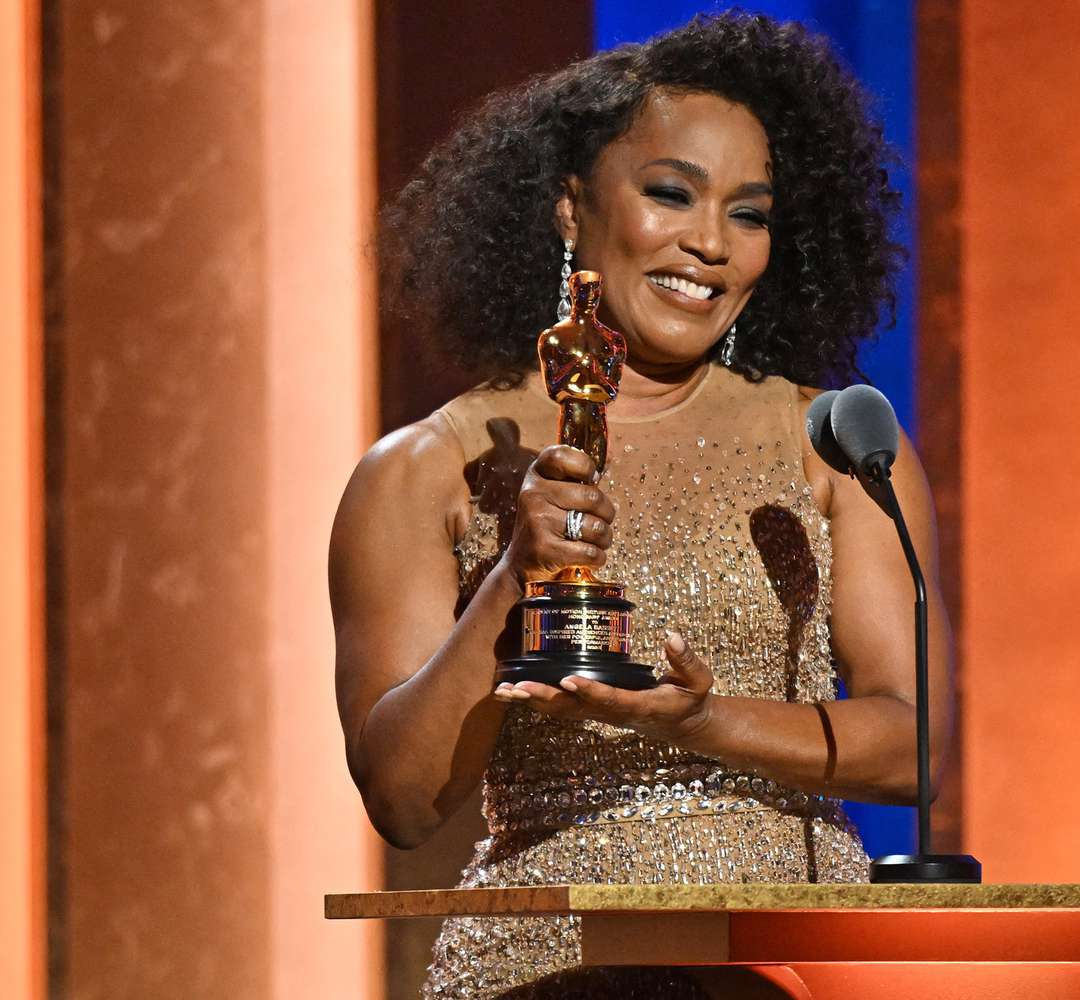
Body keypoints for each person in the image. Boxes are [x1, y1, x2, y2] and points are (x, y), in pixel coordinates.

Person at [330, 13, 956, 998]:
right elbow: (404, 799)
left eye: (748, 214)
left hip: (792, 966)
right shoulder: (428, 468)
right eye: (672, 195)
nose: (710, 243)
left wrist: (703, 722)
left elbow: (910, 746)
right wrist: (511, 587)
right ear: (572, 209)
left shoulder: (834, 443)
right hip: (546, 966)